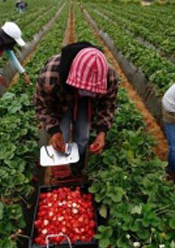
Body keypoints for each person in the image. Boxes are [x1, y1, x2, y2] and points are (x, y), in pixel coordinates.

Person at [34, 42, 118, 176]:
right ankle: (59, 168)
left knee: (83, 136)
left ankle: (77, 169)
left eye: (91, 90)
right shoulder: (51, 77)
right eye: (84, 89)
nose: (86, 91)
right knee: (62, 135)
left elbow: (108, 105)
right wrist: (55, 131)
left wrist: (102, 133)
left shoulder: (109, 77)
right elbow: (42, 106)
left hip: (86, 102)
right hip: (62, 98)